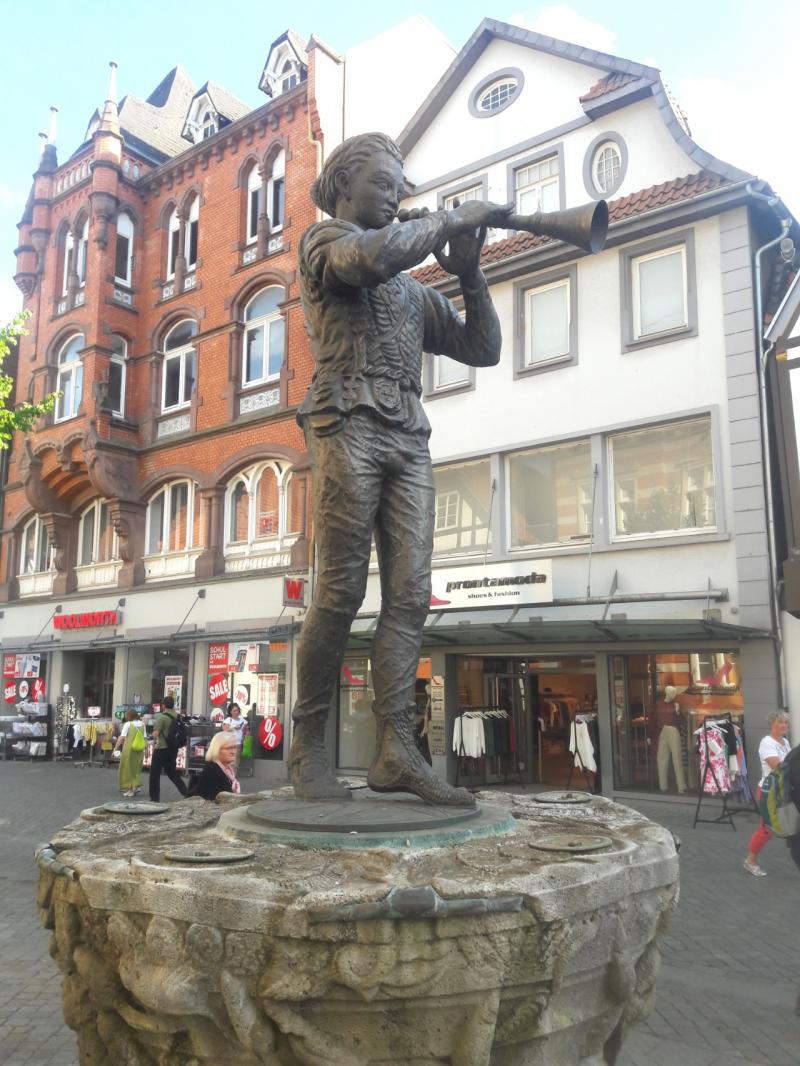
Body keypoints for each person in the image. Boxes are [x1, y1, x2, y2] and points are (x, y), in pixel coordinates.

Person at [289, 131, 513, 805]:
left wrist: (470, 271)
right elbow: (367, 260)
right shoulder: (324, 242)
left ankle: (395, 752)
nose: (395, 195)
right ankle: (307, 746)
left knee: (412, 594)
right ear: (346, 185)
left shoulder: (414, 295)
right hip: (346, 423)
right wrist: (445, 218)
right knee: (339, 591)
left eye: (399, 186)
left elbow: (483, 346)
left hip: (406, 438)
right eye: (384, 184)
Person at [744, 711, 791, 876]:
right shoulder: (767, 742)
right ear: (772, 724)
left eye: (786, 722)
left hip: (783, 790)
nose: (784, 725)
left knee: (792, 825)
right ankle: (750, 861)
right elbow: (779, 767)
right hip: (768, 791)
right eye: (780, 722)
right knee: (766, 829)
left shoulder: (785, 742)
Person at [647, 685, 686, 794]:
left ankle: (681, 787)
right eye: (671, 692)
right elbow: (653, 720)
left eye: (673, 693)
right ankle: (663, 786)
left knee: (677, 759)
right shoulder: (658, 705)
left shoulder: (676, 705)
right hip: (661, 731)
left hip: (673, 730)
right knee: (661, 758)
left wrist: (678, 712)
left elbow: (682, 721)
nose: (672, 695)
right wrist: (650, 735)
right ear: (666, 692)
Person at [148, 695, 188, 802]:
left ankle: (154, 799)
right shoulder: (177, 716)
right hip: (173, 749)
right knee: (172, 773)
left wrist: (152, 734)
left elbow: (156, 733)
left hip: (161, 749)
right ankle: (186, 792)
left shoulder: (162, 717)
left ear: (164, 705)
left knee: (155, 774)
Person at [188, 732, 241, 800]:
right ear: (217, 750)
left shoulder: (227, 769)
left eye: (234, 747)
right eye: (229, 748)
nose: (233, 752)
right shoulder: (212, 771)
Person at [113, 709, 145, 797]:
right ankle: (136, 786)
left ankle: (130, 789)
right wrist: (145, 750)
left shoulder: (128, 724)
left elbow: (121, 738)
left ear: (129, 716)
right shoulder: (142, 724)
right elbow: (144, 737)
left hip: (129, 749)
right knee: (136, 768)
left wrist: (115, 748)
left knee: (127, 768)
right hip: (139, 749)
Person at [222, 702, 246, 767]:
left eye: (237, 710)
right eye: (234, 710)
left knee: (236, 762)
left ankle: (233, 776)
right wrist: (234, 727)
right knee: (230, 761)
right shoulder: (228, 720)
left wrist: (245, 737)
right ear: (230, 712)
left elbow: (246, 731)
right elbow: (225, 730)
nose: (236, 712)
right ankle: (229, 776)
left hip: (238, 743)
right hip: (229, 744)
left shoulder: (243, 721)